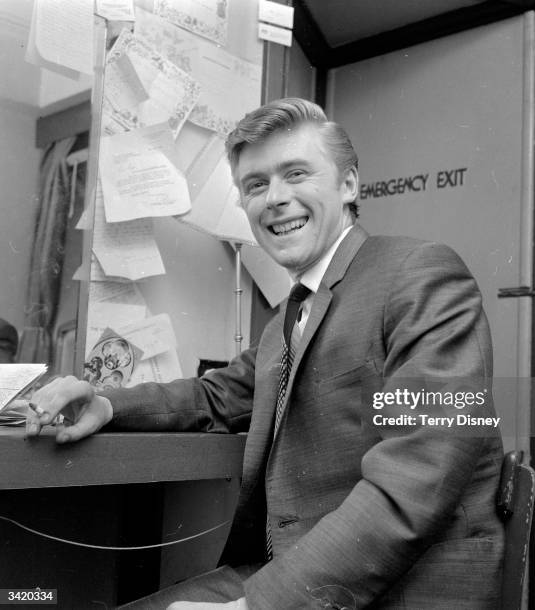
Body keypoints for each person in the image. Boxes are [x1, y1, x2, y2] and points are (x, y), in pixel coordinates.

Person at [27, 98, 504, 609]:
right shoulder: (289, 318)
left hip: (402, 589)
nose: (275, 198)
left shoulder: (422, 274)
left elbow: (419, 479)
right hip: (298, 574)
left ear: (348, 185)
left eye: (296, 174)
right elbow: (215, 396)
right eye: (255, 185)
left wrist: (255, 606)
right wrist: (107, 403)